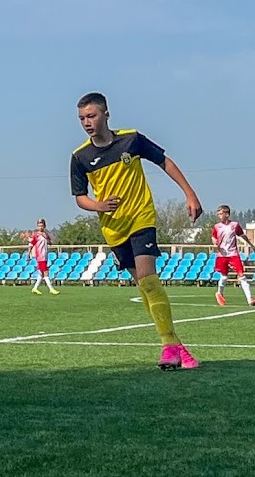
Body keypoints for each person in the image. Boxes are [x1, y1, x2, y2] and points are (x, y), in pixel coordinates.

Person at [70, 92, 202, 370]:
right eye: (82, 118)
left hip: (141, 219)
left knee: (148, 279)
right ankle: (177, 346)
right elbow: (79, 196)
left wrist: (190, 194)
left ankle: (168, 347)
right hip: (113, 229)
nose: (87, 122)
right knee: (144, 287)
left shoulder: (131, 140)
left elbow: (165, 161)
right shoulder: (80, 157)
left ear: (106, 114)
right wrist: (98, 205)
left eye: (91, 116)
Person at [211, 204, 255, 307]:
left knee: (241, 275)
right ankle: (219, 293)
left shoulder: (234, 225)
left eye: (220, 213)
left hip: (233, 254)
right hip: (222, 255)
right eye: (218, 214)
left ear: (227, 214)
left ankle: (250, 299)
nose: (219, 216)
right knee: (224, 276)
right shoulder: (217, 227)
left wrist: (251, 245)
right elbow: (213, 237)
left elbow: (242, 235)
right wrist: (215, 243)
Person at [27, 218, 59, 295]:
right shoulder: (36, 235)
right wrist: (28, 254)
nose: (40, 227)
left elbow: (50, 243)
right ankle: (51, 289)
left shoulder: (45, 234)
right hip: (40, 256)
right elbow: (31, 244)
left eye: (41, 226)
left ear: (44, 226)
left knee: (41, 273)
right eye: (39, 226)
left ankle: (35, 288)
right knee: (45, 272)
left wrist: (46, 237)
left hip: (45, 255)